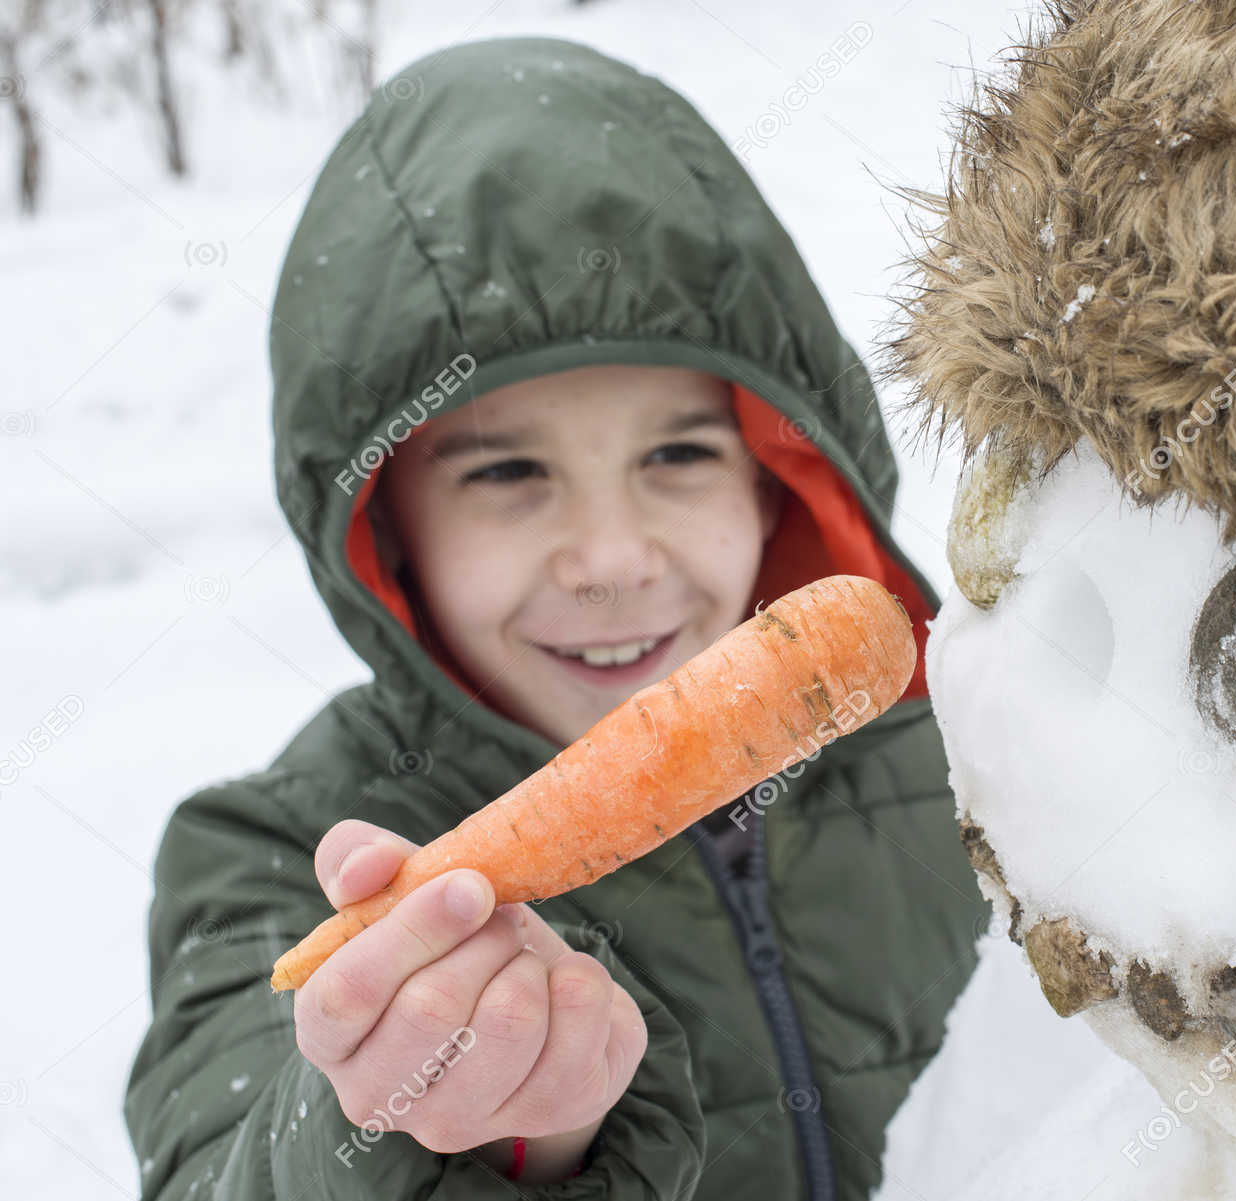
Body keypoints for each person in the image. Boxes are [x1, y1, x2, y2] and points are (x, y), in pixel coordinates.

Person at [123, 35, 986, 1201]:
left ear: (773, 477)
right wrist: (457, 1132)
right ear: (389, 527)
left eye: (677, 453)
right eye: (506, 474)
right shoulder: (277, 852)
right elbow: (221, 1167)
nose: (612, 559)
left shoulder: (988, 760)